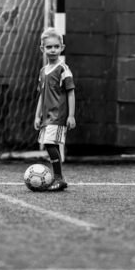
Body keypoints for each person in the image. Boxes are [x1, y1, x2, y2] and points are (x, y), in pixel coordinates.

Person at [34, 27, 75, 191]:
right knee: (52, 144)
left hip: (58, 115)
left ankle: (59, 178)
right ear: (42, 49)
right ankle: (57, 178)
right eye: (49, 47)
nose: (53, 50)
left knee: (50, 144)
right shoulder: (43, 71)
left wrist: (71, 115)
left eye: (56, 46)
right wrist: (37, 116)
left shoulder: (63, 69)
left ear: (62, 48)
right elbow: (41, 96)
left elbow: (71, 92)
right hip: (46, 117)